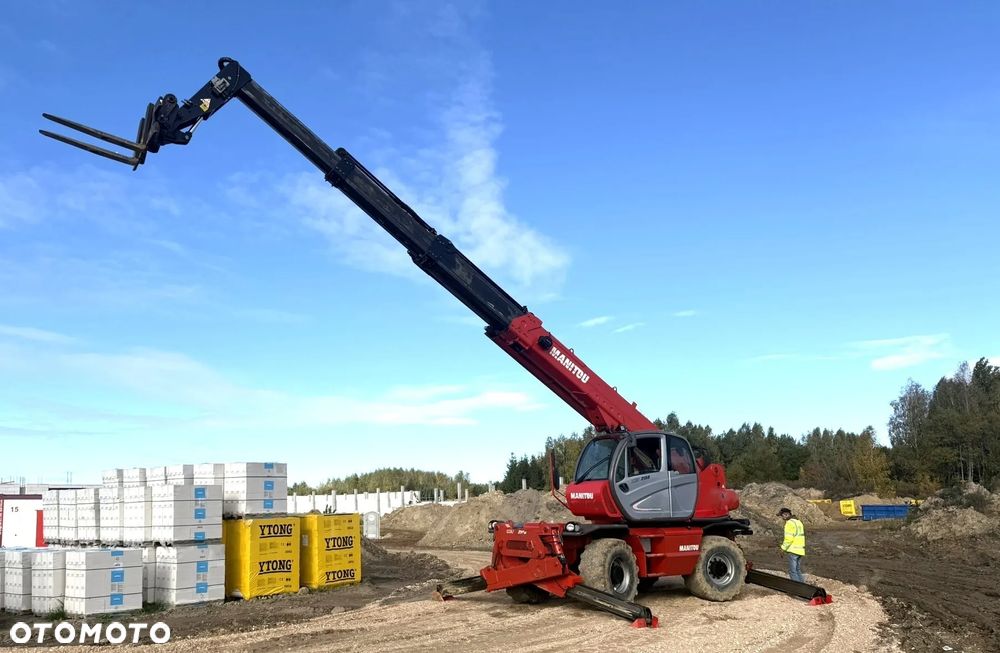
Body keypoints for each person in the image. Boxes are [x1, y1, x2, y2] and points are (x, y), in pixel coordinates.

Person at [778, 507, 806, 583]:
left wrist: (782, 549)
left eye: (782, 516)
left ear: (786, 514)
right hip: (800, 550)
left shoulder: (789, 524)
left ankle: (798, 589)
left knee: (792, 571)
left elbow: (789, 539)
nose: (782, 518)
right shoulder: (798, 522)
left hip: (793, 550)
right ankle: (803, 587)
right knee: (797, 570)